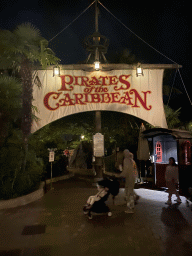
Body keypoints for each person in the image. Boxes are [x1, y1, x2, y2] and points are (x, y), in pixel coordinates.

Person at [114, 149, 138, 213]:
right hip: (132, 178)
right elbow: (135, 170)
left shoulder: (126, 160)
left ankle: (130, 208)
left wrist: (119, 175)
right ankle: (132, 205)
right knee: (130, 192)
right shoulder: (132, 161)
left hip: (129, 178)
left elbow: (125, 171)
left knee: (128, 193)